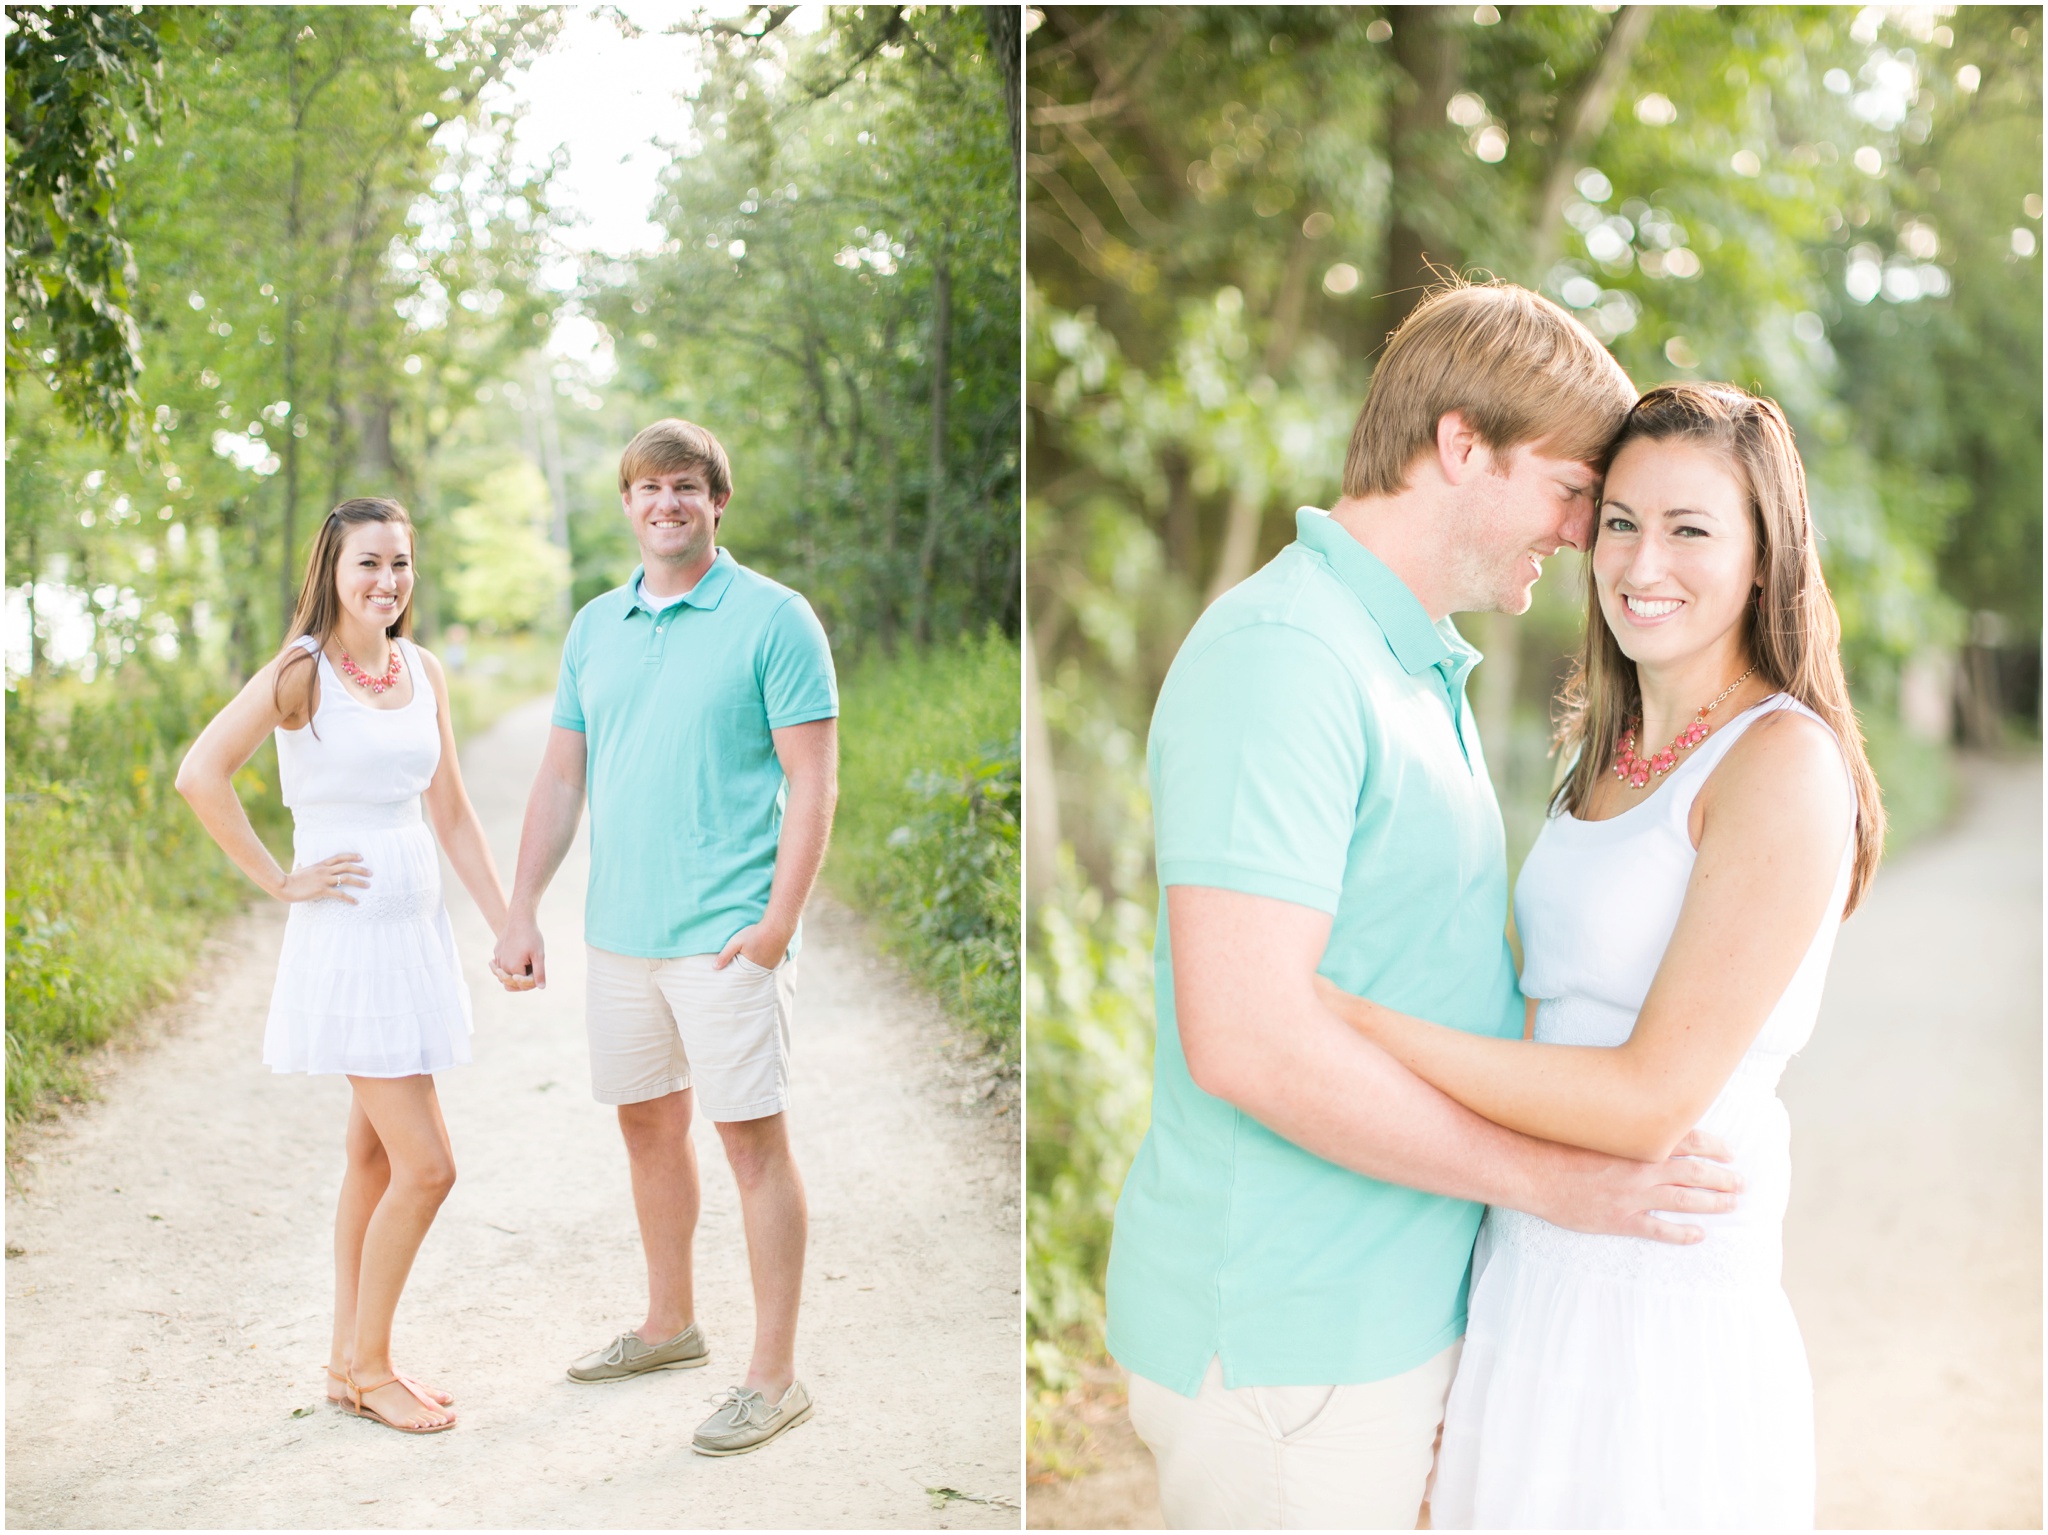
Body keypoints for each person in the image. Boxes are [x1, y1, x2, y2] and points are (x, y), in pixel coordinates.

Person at [1106, 280, 1746, 1530]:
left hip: (1381, 1316)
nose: (1579, 536)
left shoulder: (1404, 662)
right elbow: (1242, 1038)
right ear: (1461, 444)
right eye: (1571, 491)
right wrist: (1544, 1181)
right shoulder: (1284, 657)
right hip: (1293, 1336)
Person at [1316, 382, 1881, 1527]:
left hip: (1654, 1301)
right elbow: (1548, 1013)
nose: (1639, 561)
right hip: (1530, 1269)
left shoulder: (1779, 763)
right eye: (1618, 520)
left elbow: (1642, 1101)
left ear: (1765, 557)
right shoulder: (1605, 751)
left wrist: (1350, 1019)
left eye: (1689, 528)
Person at [490, 418, 838, 1458]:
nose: (666, 504)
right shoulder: (595, 625)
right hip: (621, 935)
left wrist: (776, 924)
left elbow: (813, 780)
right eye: (647, 488)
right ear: (629, 505)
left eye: (685, 486)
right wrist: (519, 906)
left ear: (716, 501)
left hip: (727, 935)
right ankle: (667, 1324)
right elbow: (559, 778)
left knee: (749, 1141)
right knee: (646, 1127)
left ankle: (772, 1376)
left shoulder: (776, 618)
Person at [176, 496, 508, 1434]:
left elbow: (451, 813)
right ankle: (370, 1367)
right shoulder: (301, 672)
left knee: (371, 1153)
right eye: (367, 563)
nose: (386, 582)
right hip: (351, 945)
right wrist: (280, 879)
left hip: (414, 937)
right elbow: (201, 773)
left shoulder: (423, 669)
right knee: (430, 1166)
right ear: (330, 568)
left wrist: (504, 921)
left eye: (400, 563)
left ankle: (343, 1362)